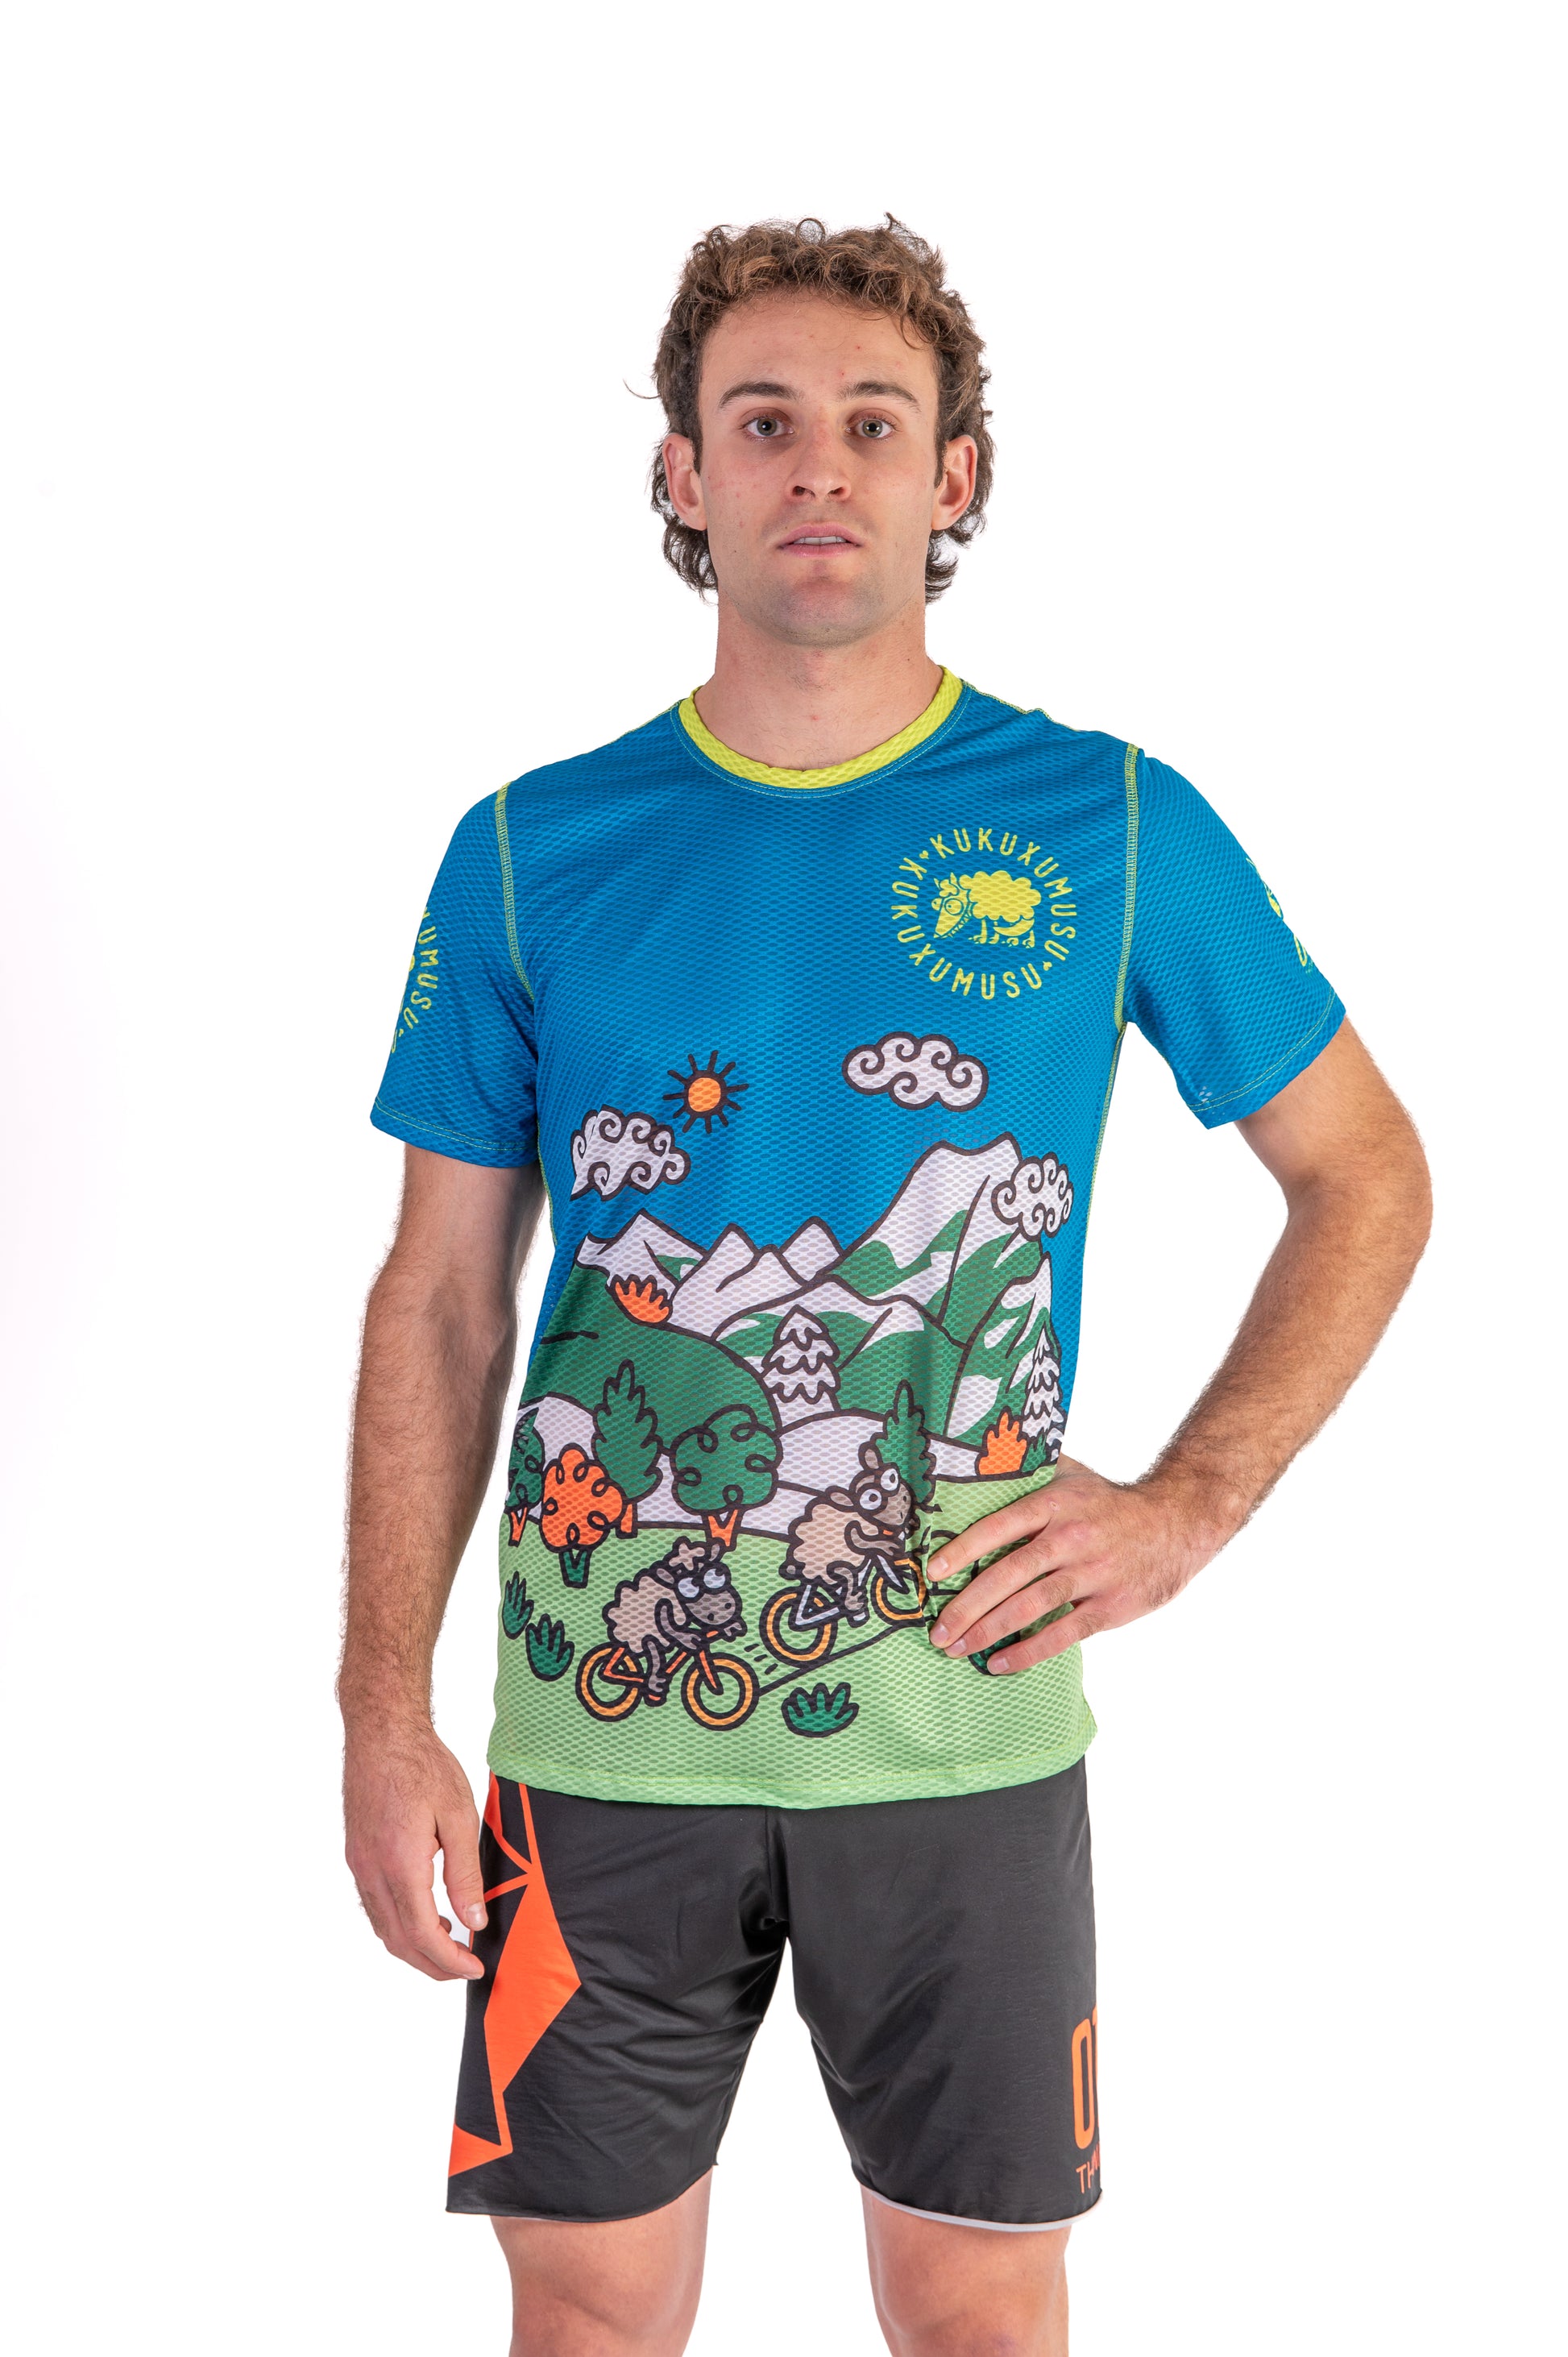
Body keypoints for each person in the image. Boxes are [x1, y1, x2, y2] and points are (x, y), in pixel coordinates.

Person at [340, 217, 1431, 2357]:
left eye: (871, 421)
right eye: (761, 423)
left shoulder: (1111, 822)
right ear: (684, 475)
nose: (817, 464)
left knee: (979, 2320)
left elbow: (1366, 1173)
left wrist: (1194, 1500)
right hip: (595, 1754)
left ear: (954, 477)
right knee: (583, 2315)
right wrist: (383, 1705)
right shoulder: (528, 851)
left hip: (967, 1734)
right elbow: (441, 1301)